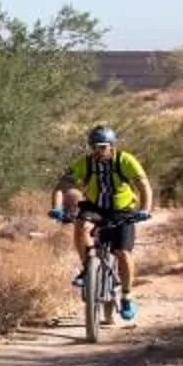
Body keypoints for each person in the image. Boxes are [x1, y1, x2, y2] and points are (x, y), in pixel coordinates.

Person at [50, 124, 155, 321]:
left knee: (122, 252)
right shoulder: (85, 163)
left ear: (112, 146)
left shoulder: (125, 160)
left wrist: (145, 210)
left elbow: (144, 187)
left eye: (103, 147)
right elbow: (60, 187)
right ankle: (87, 269)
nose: (98, 151)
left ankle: (126, 296)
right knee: (81, 225)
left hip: (122, 210)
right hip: (95, 207)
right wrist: (57, 208)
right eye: (95, 147)